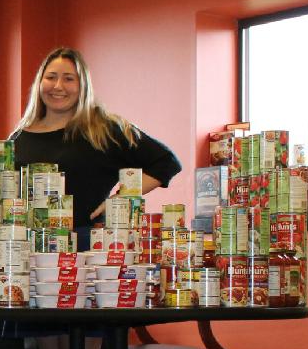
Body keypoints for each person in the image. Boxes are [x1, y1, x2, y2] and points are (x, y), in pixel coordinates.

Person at [10, 46, 182, 237]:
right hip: (24, 247)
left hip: (87, 246)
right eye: (51, 77)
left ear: (82, 86)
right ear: (39, 83)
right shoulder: (19, 137)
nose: (58, 86)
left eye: (69, 79)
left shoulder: (103, 130)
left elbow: (167, 162)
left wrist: (121, 198)